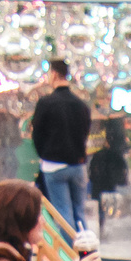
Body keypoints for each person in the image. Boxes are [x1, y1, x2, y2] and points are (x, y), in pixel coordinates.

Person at [29, 59, 92, 234]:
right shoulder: (81, 105)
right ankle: (85, 252)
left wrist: (44, 154)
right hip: (78, 164)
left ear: (54, 74)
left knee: (63, 214)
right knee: (79, 213)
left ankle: (70, 256)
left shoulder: (46, 103)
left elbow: (37, 134)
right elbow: (85, 132)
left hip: (53, 165)